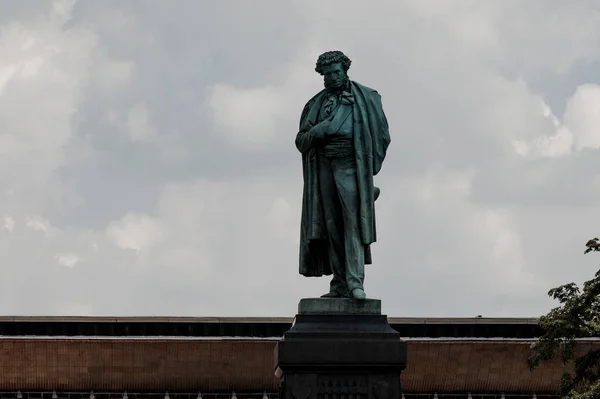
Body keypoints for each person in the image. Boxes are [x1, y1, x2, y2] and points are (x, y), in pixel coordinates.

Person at [295, 50, 390, 300]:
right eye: (326, 75)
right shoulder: (314, 105)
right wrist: (320, 131)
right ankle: (339, 283)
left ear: (345, 70)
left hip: (352, 164)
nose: (331, 78)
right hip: (324, 166)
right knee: (331, 226)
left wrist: (368, 173)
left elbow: (382, 136)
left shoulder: (367, 98)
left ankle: (355, 281)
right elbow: (301, 141)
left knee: (353, 225)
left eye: (336, 72)